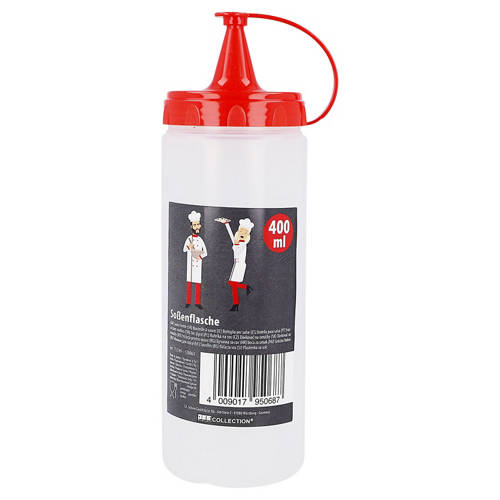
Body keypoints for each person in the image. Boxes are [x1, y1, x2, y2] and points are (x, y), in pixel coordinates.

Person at [215, 217, 254, 311]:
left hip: (239, 265)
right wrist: (226, 224)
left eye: (245, 232)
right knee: (233, 284)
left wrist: (235, 244)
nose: (242, 234)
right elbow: (231, 235)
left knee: (232, 283)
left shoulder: (242, 244)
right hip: (237, 264)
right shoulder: (238, 242)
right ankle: (242, 293)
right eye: (241, 231)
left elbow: (237, 252)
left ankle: (237, 302)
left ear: (248, 235)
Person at [184, 211, 207, 309]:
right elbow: (184, 249)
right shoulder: (189, 239)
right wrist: (189, 247)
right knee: (189, 283)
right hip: (190, 264)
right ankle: (188, 301)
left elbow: (205, 252)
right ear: (191, 226)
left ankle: (198, 302)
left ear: (200, 226)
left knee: (198, 283)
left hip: (198, 264)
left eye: (198, 224)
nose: (196, 227)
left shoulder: (201, 240)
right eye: (194, 225)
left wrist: (199, 257)